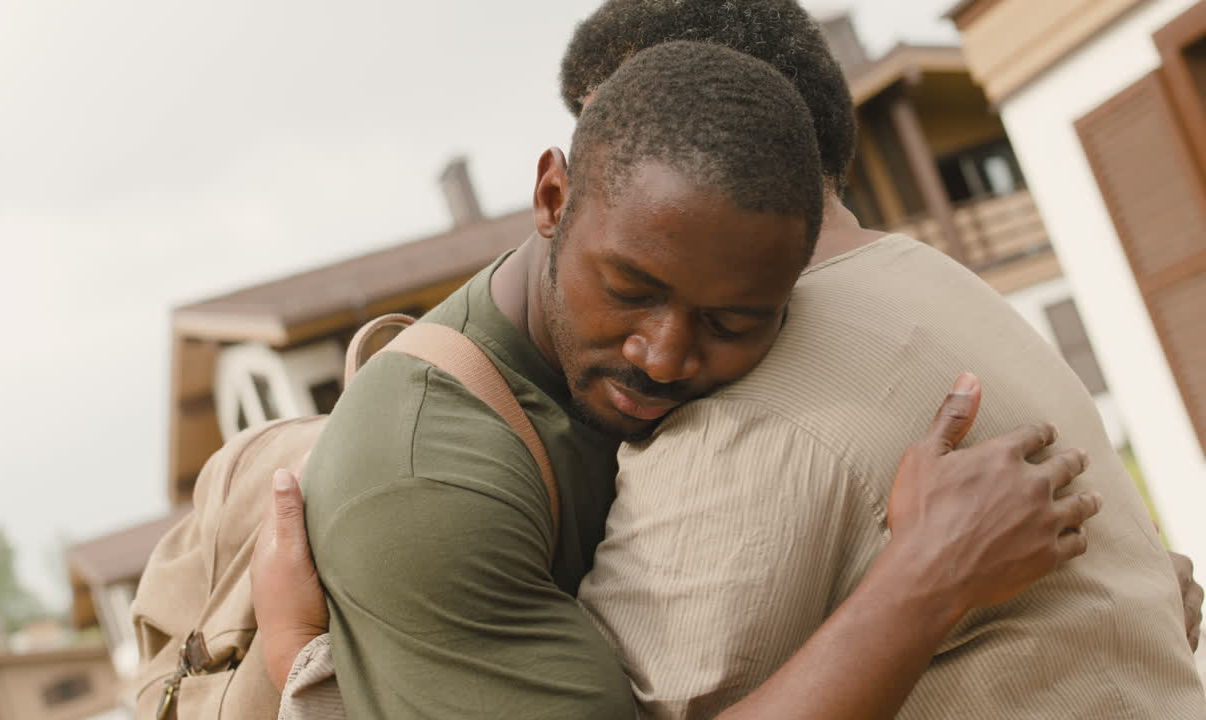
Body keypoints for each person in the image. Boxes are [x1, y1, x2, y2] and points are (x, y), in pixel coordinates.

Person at [251, 38, 1106, 719]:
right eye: (630, 291)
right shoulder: (426, 478)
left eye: (730, 324)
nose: (663, 357)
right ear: (551, 197)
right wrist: (928, 576)